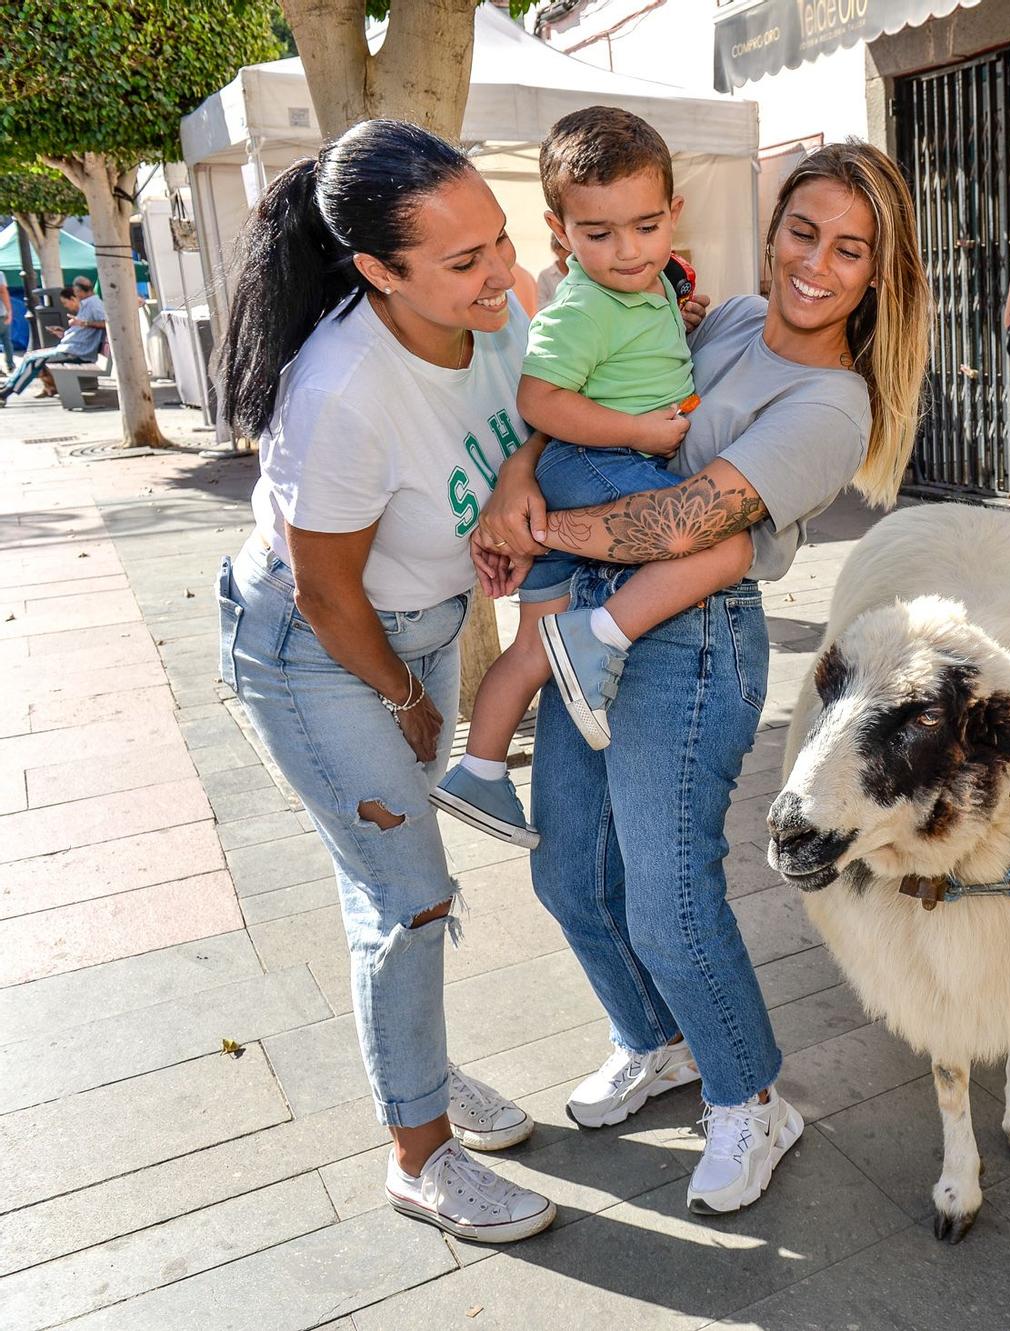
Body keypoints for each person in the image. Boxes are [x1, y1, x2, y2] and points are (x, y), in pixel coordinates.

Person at [473, 141, 929, 1216]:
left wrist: (534, 524)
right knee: (570, 876)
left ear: (877, 273)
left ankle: (750, 1095)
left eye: (849, 248)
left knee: (671, 898)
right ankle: (657, 1040)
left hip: (695, 640)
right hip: (595, 608)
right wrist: (515, 477)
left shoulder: (833, 406)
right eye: (803, 231)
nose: (817, 262)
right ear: (770, 228)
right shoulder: (716, 323)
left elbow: (685, 518)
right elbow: (571, 399)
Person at [211, 119, 554, 1244]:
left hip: (415, 625)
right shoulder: (342, 390)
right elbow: (325, 594)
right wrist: (410, 703)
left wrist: (506, 504)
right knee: (410, 895)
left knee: (400, 880)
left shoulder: (502, 311)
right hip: (320, 649)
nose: (500, 273)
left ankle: (425, 1075)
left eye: (496, 240)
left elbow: (533, 423)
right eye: (463, 263)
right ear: (376, 270)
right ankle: (419, 1153)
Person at [431, 106, 748, 849]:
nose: (627, 251)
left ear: (673, 212)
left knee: (531, 644)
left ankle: (478, 770)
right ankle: (597, 637)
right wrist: (640, 430)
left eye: (644, 226)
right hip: (595, 462)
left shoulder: (652, 284)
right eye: (597, 234)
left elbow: (641, 339)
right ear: (558, 230)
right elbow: (539, 399)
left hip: (577, 467)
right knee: (719, 545)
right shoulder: (582, 306)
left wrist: (683, 318)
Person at [0, 275, 105, 406]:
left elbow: (106, 323)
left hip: (77, 352)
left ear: (80, 291)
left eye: (76, 291)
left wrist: (82, 322)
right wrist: (64, 333)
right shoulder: (87, 304)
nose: (76, 294)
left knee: (34, 361)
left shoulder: (94, 305)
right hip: (70, 347)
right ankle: (7, 387)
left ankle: (7, 392)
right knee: (29, 356)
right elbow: (82, 331)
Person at [535, 234, 569, 308]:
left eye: (570, 248)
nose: (568, 252)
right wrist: (564, 302)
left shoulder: (582, 272)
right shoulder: (545, 275)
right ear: (555, 250)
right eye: (563, 248)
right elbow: (539, 306)